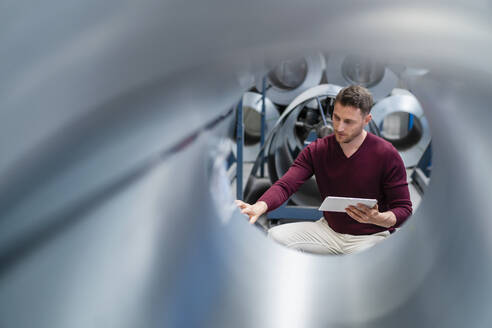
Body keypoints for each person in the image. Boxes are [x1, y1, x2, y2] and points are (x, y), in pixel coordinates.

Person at [235, 85, 412, 255]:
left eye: (348, 122)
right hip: (329, 231)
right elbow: (286, 185)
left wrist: (378, 219)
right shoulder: (318, 150)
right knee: (275, 236)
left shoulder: (386, 154)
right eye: (336, 117)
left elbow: (404, 209)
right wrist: (259, 207)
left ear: (367, 120)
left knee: (362, 269)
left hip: (370, 237)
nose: (339, 127)